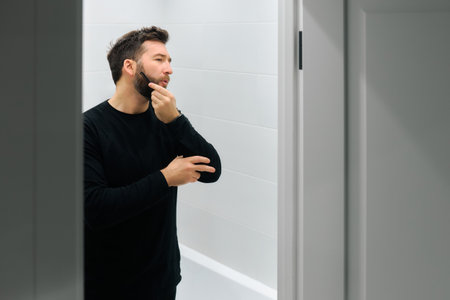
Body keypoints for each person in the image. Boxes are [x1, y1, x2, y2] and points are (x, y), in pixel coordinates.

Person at [83, 26, 221, 300]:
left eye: (169, 61)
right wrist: (165, 178)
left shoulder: (167, 121)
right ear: (130, 66)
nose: (169, 69)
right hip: (106, 282)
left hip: (161, 276)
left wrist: (176, 121)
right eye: (159, 59)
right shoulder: (88, 128)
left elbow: (212, 170)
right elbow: (95, 208)